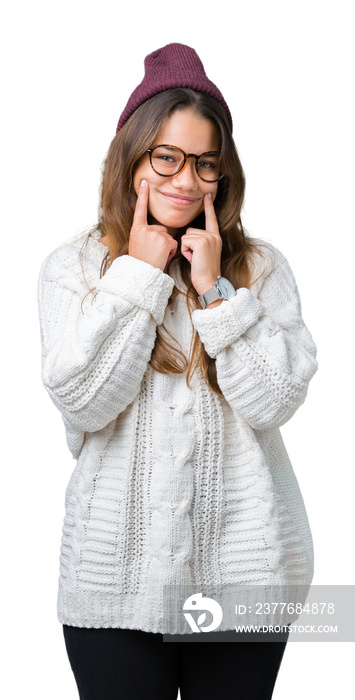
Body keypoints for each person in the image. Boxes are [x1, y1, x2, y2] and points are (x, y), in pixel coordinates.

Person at [38, 43, 318, 700]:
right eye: (165, 157)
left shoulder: (261, 270)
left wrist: (216, 289)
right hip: (114, 587)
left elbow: (274, 400)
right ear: (130, 160)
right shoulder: (72, 269)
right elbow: (81, 401)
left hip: (246, 580)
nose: (184, 179)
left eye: (204, 163)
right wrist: (136, 274)